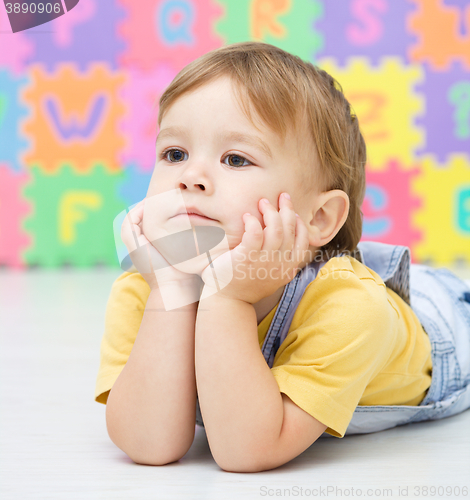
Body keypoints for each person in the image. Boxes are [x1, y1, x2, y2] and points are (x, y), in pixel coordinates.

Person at [94, 41, 470, 473]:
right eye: (174, 154)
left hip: (442, 329)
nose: (190, 177)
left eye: (235, 159)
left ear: (319, 217)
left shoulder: (349, 308)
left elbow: (246, 451)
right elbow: (148, 443)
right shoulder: (147, 287)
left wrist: (229, 299)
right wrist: (171, 292)